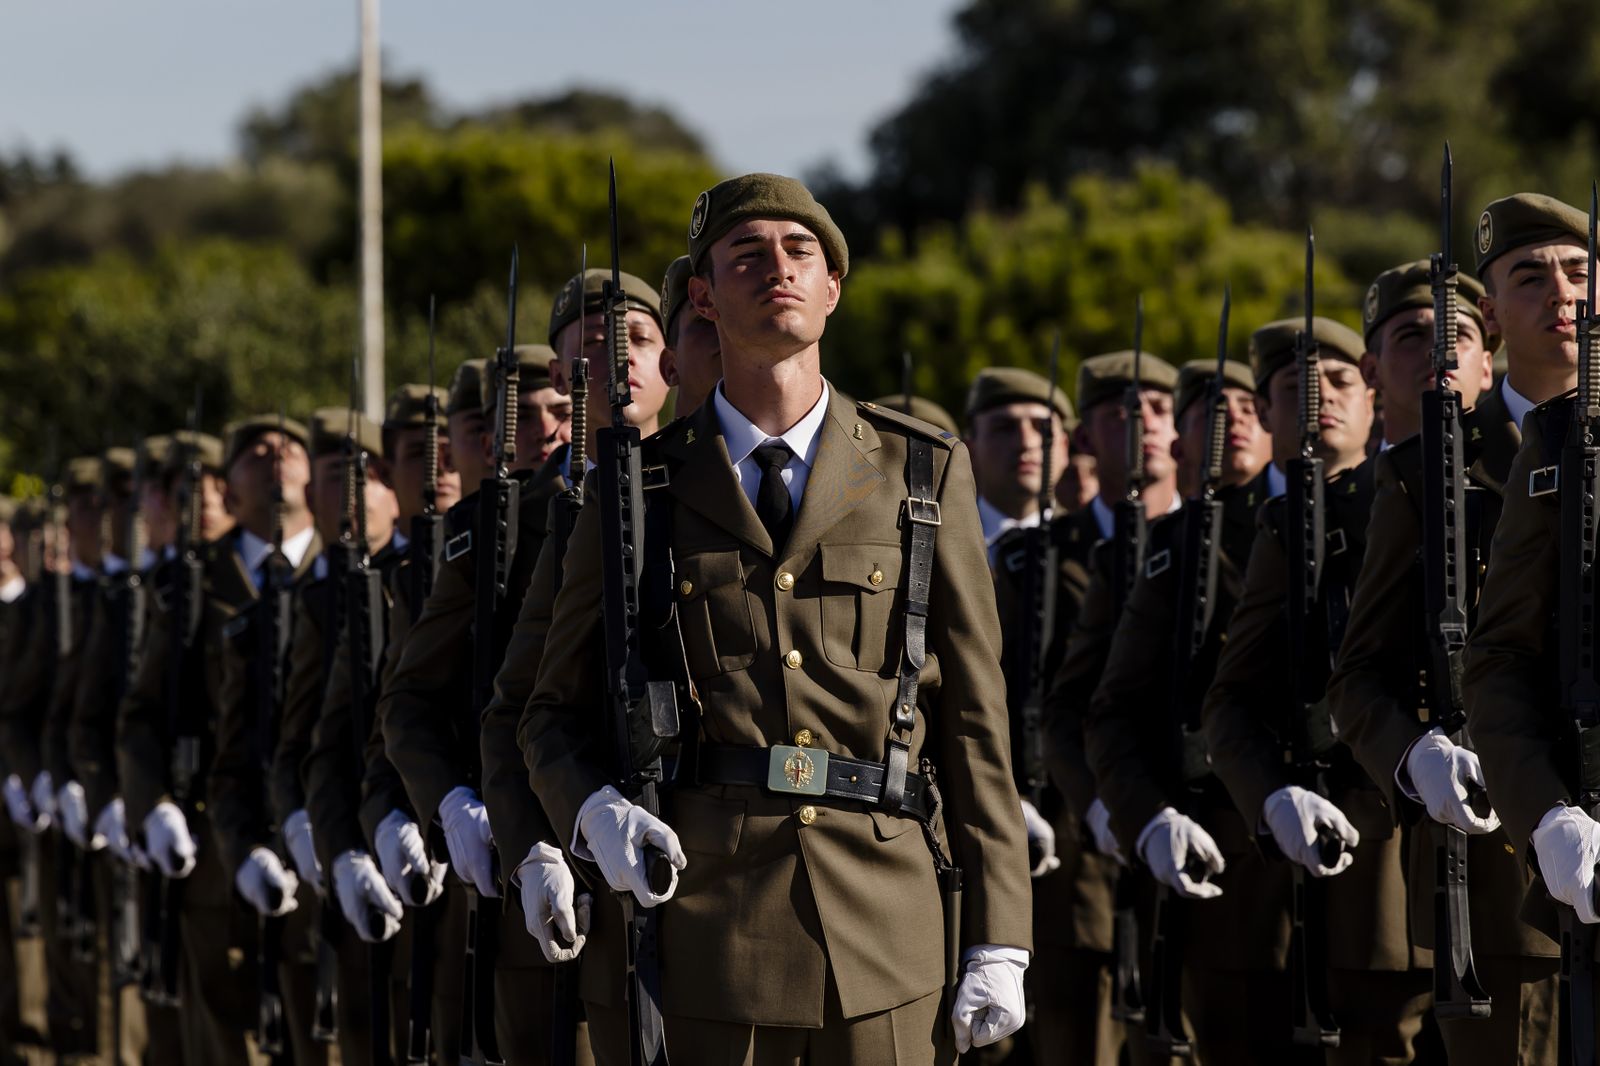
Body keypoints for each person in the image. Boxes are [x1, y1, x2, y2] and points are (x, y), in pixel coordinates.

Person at [519, 172, 1031, 1063]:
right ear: (707, 299)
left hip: (888, 929)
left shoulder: (921, 471)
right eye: (746, 255)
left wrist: (1002, 934)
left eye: (802, 252)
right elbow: (548, 712)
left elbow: (977, 725)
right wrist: (591, 808)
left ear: (834, 289)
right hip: (708, 930)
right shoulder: (638, 487)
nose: (778, 269)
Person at [1203, 314, 1447, 1062]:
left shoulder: (1432, 493)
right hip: (1319, 859)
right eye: (1294, 388)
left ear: (1371, 389)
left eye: (1340, 381)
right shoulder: (1265, 525)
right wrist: (1272, 796)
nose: (1320, 401)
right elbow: (1232, 699)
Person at [995, 349, 1178, 1066]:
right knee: (1074, 1036)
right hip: (1071, 844)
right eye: (1119, 412)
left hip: (1186, 825)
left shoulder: (1219, 542)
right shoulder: (1031, 559)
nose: (1143, 425)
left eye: (1160, 409)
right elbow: (1004, 696)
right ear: (1083, 440)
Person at [1456, 192, 1594, 1054]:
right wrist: (1545, 811)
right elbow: (1497, 653)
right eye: (1532, 276)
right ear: (1492, 316)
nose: (1563, 295)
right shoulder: (1441, 460)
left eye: (1580, 273)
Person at [965, 366, 1075, 564]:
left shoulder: (1085, 544)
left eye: (1043, 428)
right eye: (1004, 428)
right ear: (970, 449)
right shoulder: (943, 541)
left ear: (1064, 447)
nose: (1025, 443)